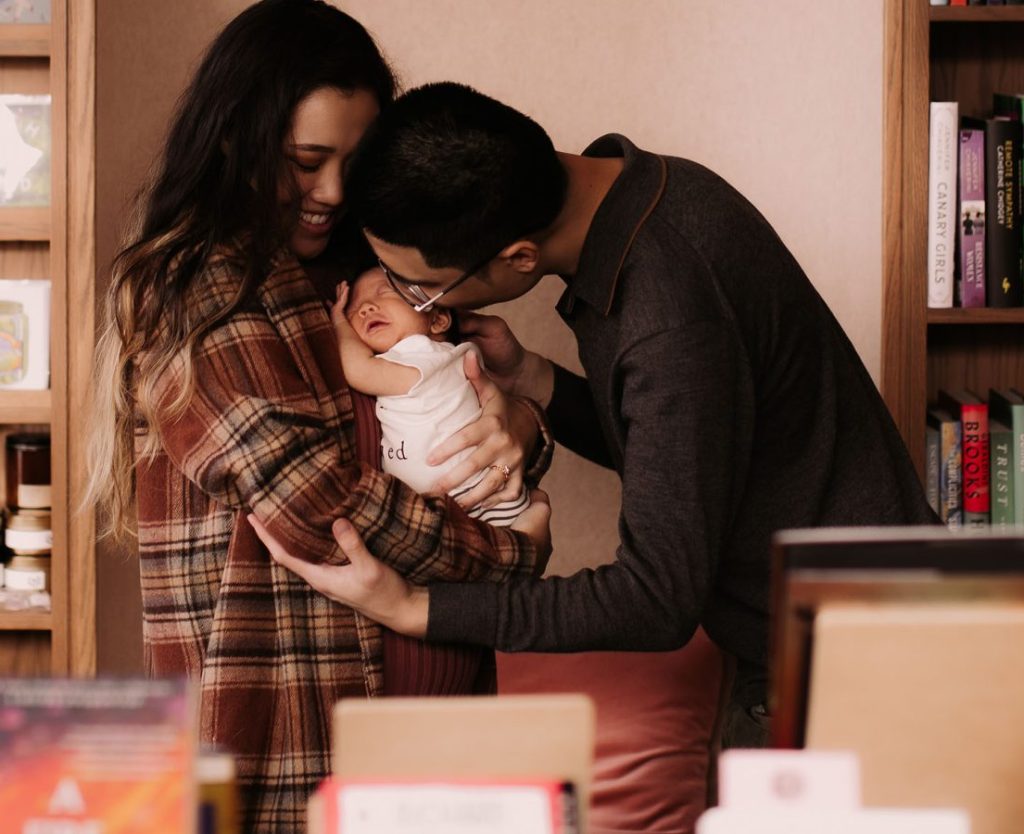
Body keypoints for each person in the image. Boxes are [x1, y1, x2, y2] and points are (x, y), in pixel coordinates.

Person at [250, 81, 939, 750]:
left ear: (518, 257)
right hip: (860, 639)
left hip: (864, 680)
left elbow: (654, 599)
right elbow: (692, 447)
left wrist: (415, 608)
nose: (423, 310)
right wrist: (534, 378)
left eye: (427, 292)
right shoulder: (660, 188)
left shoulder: (667, 317)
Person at [85, 14, 551, 833]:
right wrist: (507, 556)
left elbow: (445, 411)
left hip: (416, 719)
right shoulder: (197, 287)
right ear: (236, 142)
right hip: (280, 736)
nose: (333, 192)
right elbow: (313, 500)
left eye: (355, 163)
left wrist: (519, 424)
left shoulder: (359, 275)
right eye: (306, 162)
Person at [334, 267, 530, 526]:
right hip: (471, 492)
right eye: (353, 311)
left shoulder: (422, 354)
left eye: (386, 293)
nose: (366, 308)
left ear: (437, 320)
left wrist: (338, 321)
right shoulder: (438, 358)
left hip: (471, 494)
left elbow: (358, 369)